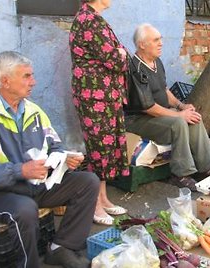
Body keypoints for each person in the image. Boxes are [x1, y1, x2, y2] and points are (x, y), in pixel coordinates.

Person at [0, 51, 99, 268]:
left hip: (36, 186)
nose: (33, 81)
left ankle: (61, 248)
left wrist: (65, 158)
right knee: (25, 209)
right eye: (26, 76)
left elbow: (54, 145)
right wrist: (20, 171)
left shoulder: (33, 111)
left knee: (88, 182)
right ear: (5, 81)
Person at [125, 23, 210, 192]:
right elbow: (148, 107)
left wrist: (181, 106)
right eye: (155, 40)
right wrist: (179, 116)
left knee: (193, 118)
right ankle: (180, 175)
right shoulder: (135, 69)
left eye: (160, 39)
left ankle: (206, 167)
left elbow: (164, 89)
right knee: (179, 123)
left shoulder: (156, 62)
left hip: (158, 115)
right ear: (142, 44)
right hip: (138, 119)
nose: (161, 43)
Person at [70, 0, 129, 226]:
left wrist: (119, 52)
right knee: (98, 149)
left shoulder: (94, 18)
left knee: (105, 149)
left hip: (104, 94)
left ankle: (103, 198)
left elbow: (114, 55)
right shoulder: (89, 20)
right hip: (94, 95)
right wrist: (121, 52)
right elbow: (115, 59)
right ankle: (94, 204)